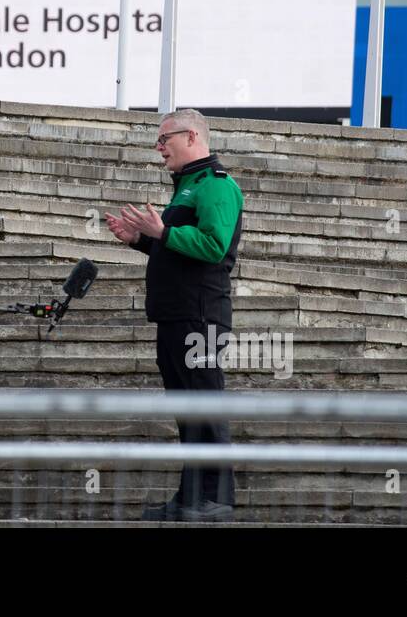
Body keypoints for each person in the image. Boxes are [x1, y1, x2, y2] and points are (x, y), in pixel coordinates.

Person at [106, 108, 243, 523]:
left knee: (204, 406)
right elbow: (182, 251)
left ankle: (216, 501)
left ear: (192, 137)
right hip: (177, 316)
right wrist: (141, 241)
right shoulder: (188, 187)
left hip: (200, 317)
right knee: (187, 411)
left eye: (165, 137)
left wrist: (162, 232)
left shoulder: (216, 185)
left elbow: (213, 247)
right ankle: (189, 499)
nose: (158, 146)